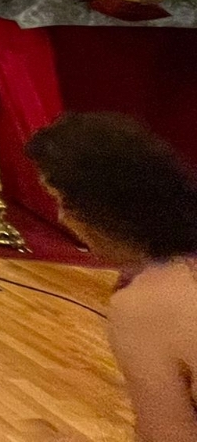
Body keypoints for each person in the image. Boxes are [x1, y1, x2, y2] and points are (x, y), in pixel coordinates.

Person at [26, 113, 197, 442]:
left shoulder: (144, 303)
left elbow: (169, 437)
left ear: (103, 207)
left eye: (61, 201)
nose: (61, 218)